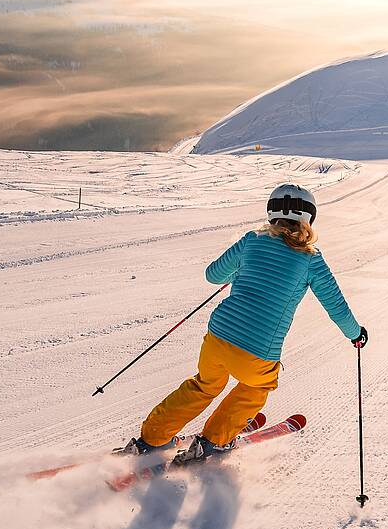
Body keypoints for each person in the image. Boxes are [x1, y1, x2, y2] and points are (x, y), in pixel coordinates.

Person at [119, 184, 367, 463]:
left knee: (204, 385)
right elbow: (336, 306)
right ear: (309, 217)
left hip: (218, 337)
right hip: (257, 351)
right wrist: (355, 334)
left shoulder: (251, 240)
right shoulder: (311, 259)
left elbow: (213, 275)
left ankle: (151, 437)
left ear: (271, 211)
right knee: (256, 388)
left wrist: (245, 267)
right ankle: (213, 440)